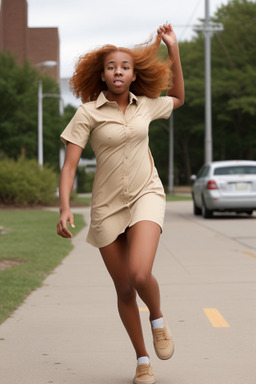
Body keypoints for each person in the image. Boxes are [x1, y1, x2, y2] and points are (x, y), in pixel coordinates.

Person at [57, 23, 184, 384]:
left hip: (146, 193)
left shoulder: (146, 106)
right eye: (111, 66)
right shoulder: (87, 113)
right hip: (107, 207)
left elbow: (177, 98)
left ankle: (157, 319)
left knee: (140, 273)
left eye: (124, 67)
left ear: (133, 74)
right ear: (102, 74)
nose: (118, 71)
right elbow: (69, 167)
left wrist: (173, 50)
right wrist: (65, 206)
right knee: (125, 288)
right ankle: (143, 359)